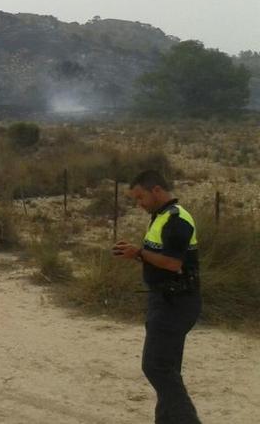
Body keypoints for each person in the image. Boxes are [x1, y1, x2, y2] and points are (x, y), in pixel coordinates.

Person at [112, 170, 201, 424]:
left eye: (141, 197)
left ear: (157, 191)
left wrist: (138, 253)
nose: (138, 204)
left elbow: (173, 263)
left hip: (176, 304)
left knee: (156, 367)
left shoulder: (177, 219)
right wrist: (135, 253)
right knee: (167, 370)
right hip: (165, 301)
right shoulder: (160, 217)